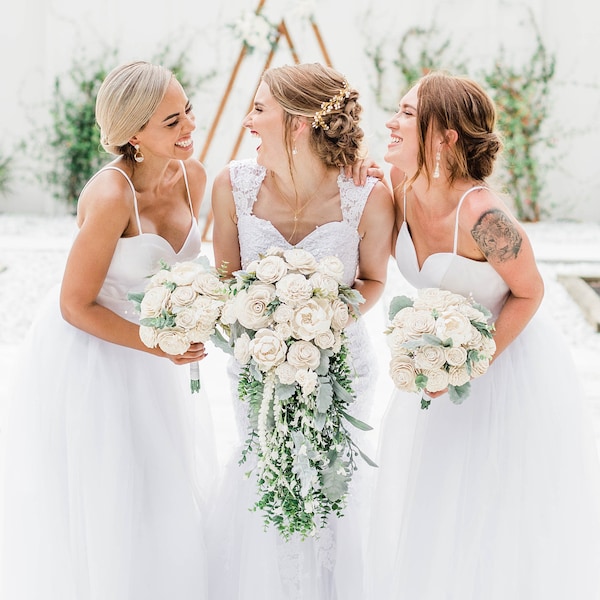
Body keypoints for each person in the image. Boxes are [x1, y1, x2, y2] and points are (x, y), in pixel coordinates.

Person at [366, 70, 600, 599]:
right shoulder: (398, 189)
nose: (392, 121)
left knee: (489, 505)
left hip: (501, 364)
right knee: (435, 496)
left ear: (445, 136)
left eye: (407, 113)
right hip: (433, 365)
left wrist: (470, 363)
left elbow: (530, 292)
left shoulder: (484, 215)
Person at [0, 61, 216, 600]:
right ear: (133, 135)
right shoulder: (111, 197)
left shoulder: (193, 175)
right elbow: (75, 304)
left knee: (162, 482)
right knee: (112, 489)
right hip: (94, 351)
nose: (189, 125)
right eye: (172, 121)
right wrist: (157, 343)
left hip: (153, 353)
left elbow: (183, 269)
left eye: (187, 109)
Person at [208, 62, 394, 599]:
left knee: (333, 482)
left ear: (299, 123)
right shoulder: (232, 185)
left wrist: (320, 322)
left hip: (340, 364)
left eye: (260, 108)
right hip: (257, 364)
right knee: (264, 472)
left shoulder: (367, 195)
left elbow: (375, 280)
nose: (247, 119)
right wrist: (270, 324)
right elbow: (227, 280)